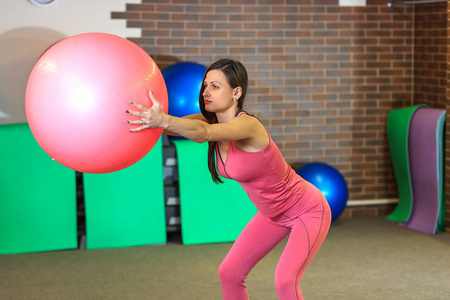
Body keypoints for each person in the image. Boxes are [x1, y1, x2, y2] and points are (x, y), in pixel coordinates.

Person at [126, 58, 331, 300]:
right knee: (230, 272)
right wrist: (143, 119)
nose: (206, 92)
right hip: (271, 214)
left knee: (285, 281)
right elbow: (173, 126)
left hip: (307, 210)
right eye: (205, 86)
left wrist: (164, 121)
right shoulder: (209, 120)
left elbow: (203, 134)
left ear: (236, 92)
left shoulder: (248, 125)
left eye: (215, 86)